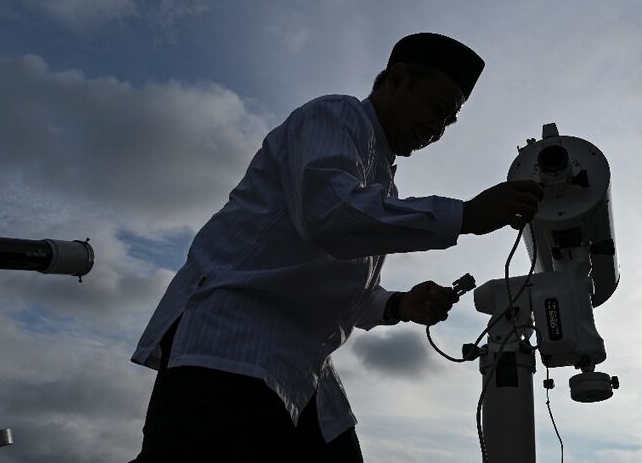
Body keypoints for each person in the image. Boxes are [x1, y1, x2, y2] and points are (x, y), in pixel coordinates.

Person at [129, 32, 543, 463]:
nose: (437, 130)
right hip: (234, 346)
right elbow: (330, 216)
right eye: (437, 110)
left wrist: (400, 304)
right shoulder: (334, 116)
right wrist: (466, 216)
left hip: (303, 373)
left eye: (447, 122)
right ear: (397, 80)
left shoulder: (380, 181)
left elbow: (342, 286)